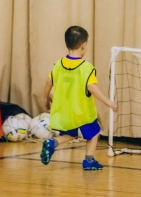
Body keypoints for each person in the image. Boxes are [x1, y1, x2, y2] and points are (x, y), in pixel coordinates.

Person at [40, 25, 118, 170]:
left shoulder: (58, 64)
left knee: (70, 134)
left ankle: (52, 143)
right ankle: (89, 161)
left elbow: (48, 81)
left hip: (64, 111)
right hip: (82, 112)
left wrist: (45, 98)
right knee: (94, 133)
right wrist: (108, 102)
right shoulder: (86, 68)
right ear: (83, 46)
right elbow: (91, 87)